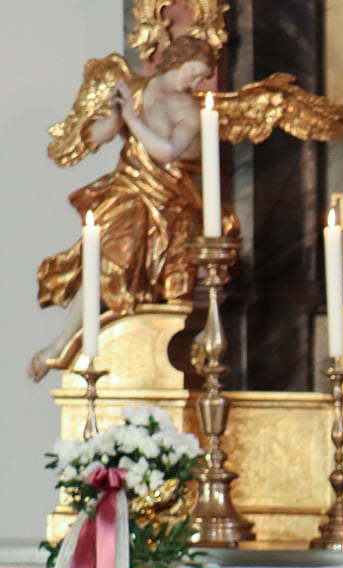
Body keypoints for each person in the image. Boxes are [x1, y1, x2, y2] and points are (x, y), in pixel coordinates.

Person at [31, 36, 220, 381]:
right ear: (180, 60)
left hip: (171, 199)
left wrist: (133, 119)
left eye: (201, 78)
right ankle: (63, 342)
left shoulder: (189, 109)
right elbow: (99, 135)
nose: (196, 83)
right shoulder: (134, 88)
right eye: (195, 73)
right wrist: (117, 115)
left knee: (162, 279)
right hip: (128, 191)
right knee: (108, 261)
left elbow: (167, 152)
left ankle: (147, 353)